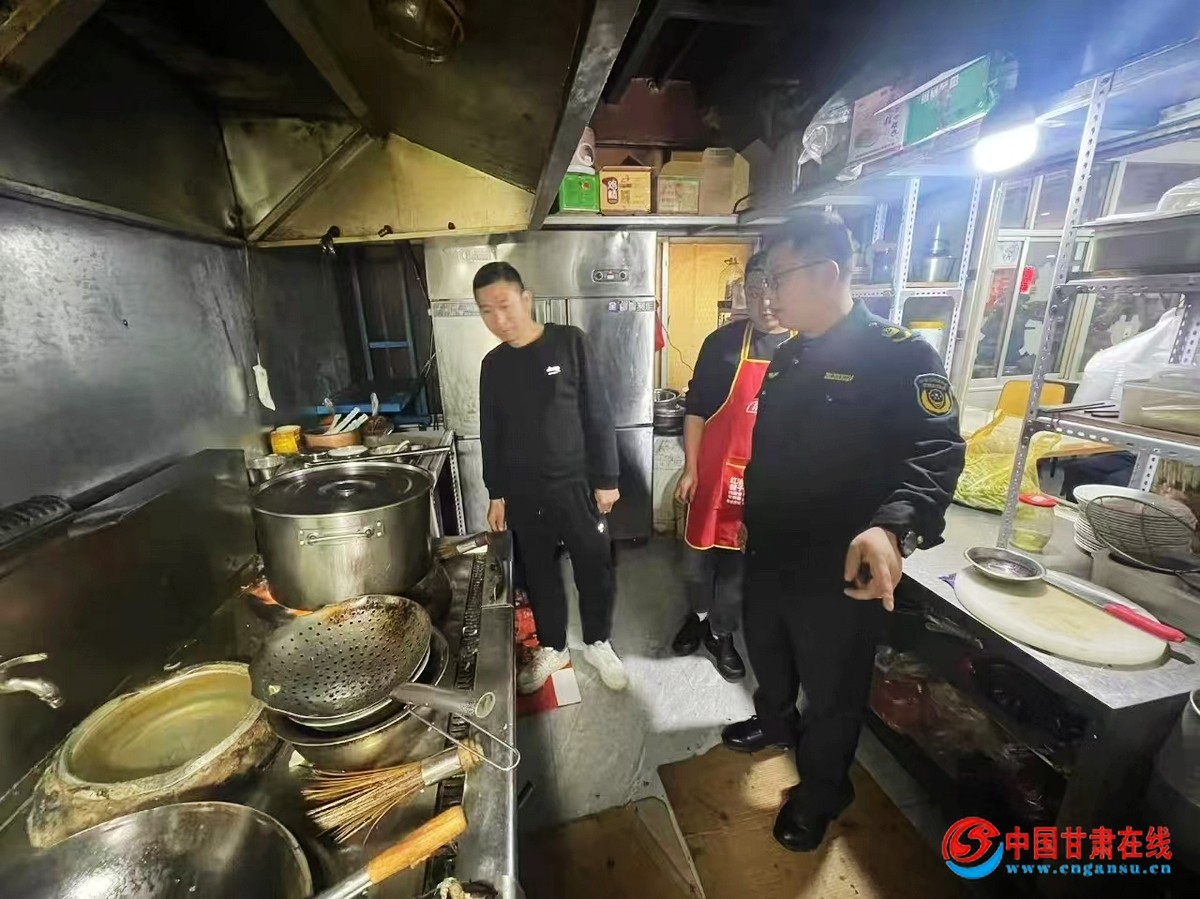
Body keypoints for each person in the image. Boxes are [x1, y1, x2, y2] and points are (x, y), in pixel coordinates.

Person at [721, 211, 965, 852]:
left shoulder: (898, 354)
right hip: (772, 550)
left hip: (839, 565)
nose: (769, 293)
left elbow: (936, 452)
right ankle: (775, 724)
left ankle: (824, 791)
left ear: (828, 273)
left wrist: (894, 529)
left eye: (778, 278)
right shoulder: (791, 355)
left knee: (833, 688)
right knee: (768, 652)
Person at [474, 261, 628, 694]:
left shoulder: (569, 342)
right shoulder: (493, 365)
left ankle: (597, 642)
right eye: (486, 311)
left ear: (526, 299)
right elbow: (491, 432)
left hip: (577, 485)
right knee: (537, 571)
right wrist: (496, 493)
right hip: (524, 492)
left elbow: (598, 412)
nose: (498, 319)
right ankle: (554, 646)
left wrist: (607, 478)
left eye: (505, 305)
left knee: (594, 567)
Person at [673, 251, 791, 680]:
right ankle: (697, 617)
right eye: (756, 289)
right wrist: (690, 468)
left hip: (765, 484)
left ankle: (721, 634)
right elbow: (697, 408)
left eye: (774, 288)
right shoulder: (721, 344)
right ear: (745, 291)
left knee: (737, 570)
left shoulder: (805, 351)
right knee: (695, 561)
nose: (766, 301)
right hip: (713, 472)